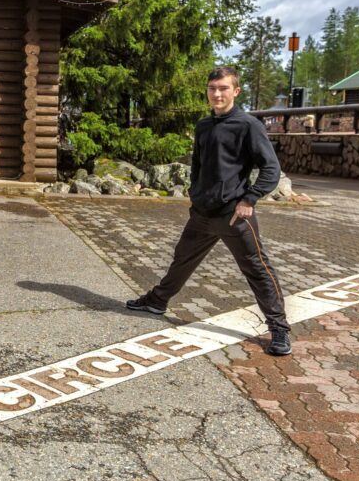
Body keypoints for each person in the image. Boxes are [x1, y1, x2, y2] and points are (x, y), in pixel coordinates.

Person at [126, 66, 293, 356]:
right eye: (212, 88)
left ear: (236, 91)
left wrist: (249, 199)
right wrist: (196, 194)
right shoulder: (204, 126)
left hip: (234, 215)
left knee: (257, 269)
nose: (217, 93)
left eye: (223, 88)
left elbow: (271, 169)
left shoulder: (248, 126)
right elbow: (199, 166)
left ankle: (279, 329)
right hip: (202, 213)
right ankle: (157, 301)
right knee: (182, 259)